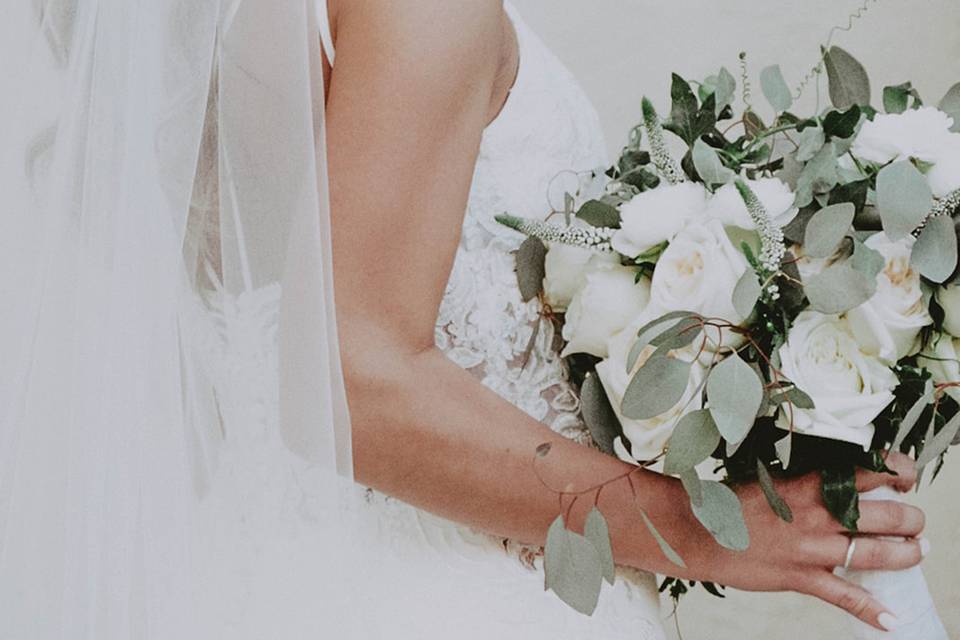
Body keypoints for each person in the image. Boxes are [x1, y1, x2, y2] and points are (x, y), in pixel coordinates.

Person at [0, 1, 926, 638]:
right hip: (453, 600)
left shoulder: (185, 28)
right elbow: (352, 382)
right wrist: (697, 526)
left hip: (243, 581)